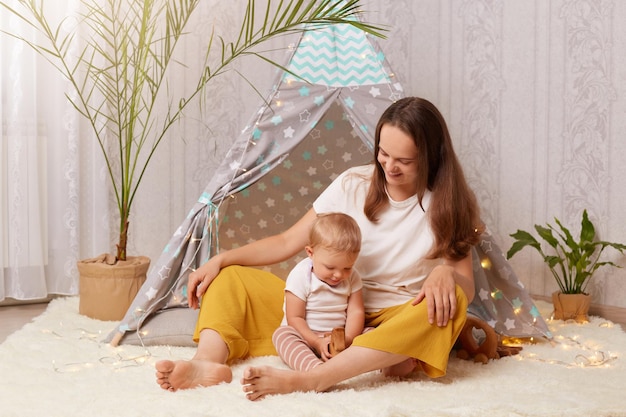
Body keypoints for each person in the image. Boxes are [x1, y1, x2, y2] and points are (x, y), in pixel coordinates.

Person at [155, 96, 484, 400]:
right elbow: (287, 241)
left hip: (391, 320)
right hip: (324, 305)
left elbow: (465, 285)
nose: (390, 167)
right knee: (230, 278)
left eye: (404, 160)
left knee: (451, 303)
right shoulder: (353, 183)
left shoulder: (448, 205)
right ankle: (207, 363)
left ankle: (316, 378)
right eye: (383, 154)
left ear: (431, 156)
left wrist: (446, 274)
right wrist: (221, 258)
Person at [273, 212, 364, 372]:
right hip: (306, 336)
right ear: (310, 253)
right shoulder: (301, 275)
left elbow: (356, 311)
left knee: (371, 334)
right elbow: (294, 317)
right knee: (282, 335)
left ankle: (382, 366)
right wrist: (315, 341)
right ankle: (314, 368)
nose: (338, 275)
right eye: (330, 267)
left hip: (339, 336)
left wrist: (348, 338)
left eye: (347, 268)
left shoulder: (353, 277)